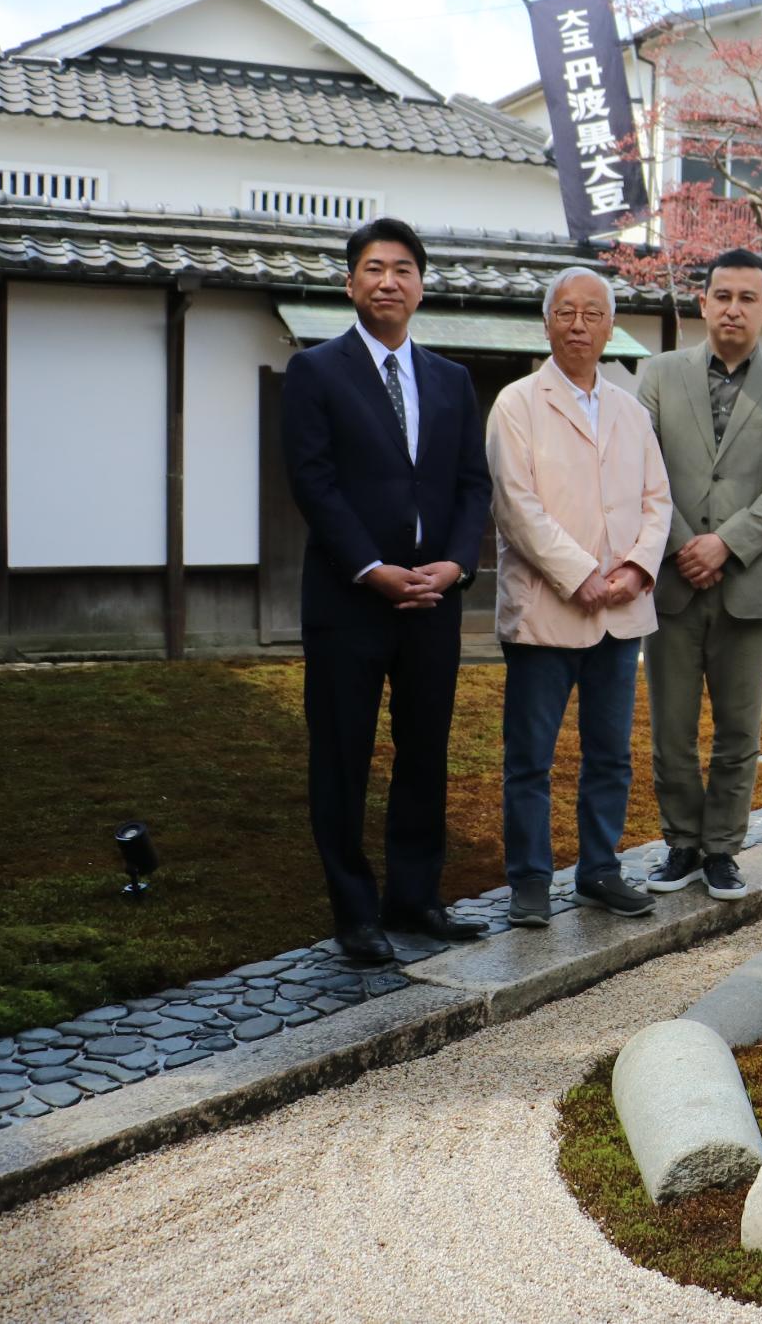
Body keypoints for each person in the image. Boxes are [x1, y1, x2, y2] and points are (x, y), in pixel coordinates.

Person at [281, 217, 493, 965]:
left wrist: (458, 564)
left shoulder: (451, 379)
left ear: (421, 285)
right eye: (373, 268)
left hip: (433, 601)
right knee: (341, 756)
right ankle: (354, 913)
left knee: (425, 752)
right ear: (350, 283)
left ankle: (415, 897)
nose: (388, 281)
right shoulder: (316, 372)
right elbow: (314, 482)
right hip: (349, 602)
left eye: (403, 268)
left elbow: (473, 484)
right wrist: (370, 568)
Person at [485, 267, 671, 927]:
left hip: (621, 612)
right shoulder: (516, 404)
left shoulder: (630, 409)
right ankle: (530, 880)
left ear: (609, 325)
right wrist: (580, 573)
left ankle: (599, 868)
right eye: (566, 312)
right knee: (530, 756)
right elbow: (516, 505)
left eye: (594, 313)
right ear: (547, 322)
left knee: (610, 752)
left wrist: (634, 570)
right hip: (546, 609)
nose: (579, 326)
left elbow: (658, 501)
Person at [637, 248, 762, 901]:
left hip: (750, 579)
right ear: (703, 302)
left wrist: (725, 545)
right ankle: (681, 842)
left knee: (740, 727)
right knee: (672, 726)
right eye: (722, 295)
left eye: (747, 298)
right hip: (673, 578)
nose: (733, 308)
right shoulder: (658, 374)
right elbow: (644, 468)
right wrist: (689, 545)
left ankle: (722, 851)